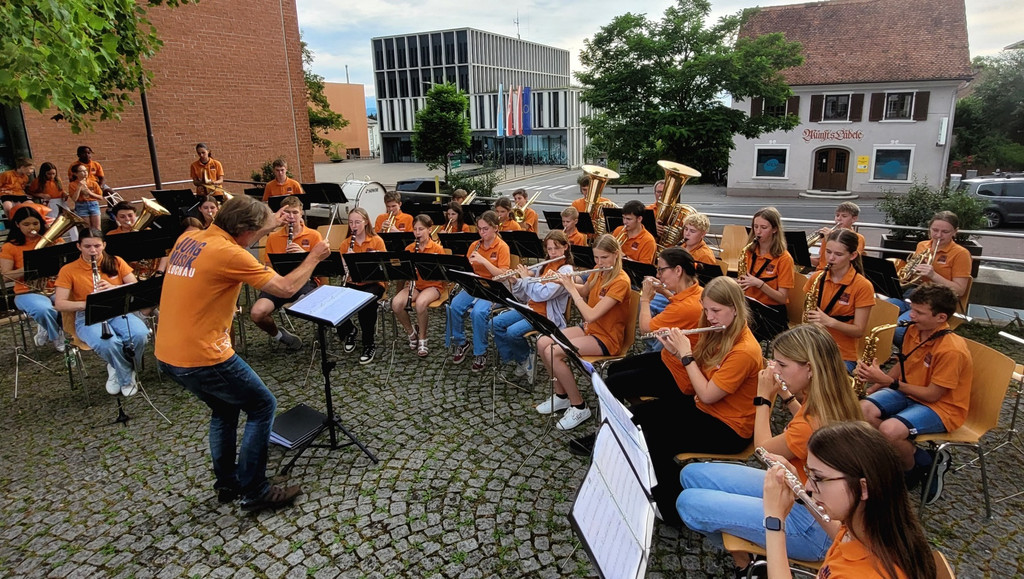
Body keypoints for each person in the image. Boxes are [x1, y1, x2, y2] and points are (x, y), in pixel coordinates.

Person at [156, 195, 330, 512]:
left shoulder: (190, 237)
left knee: (224, 409)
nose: (261, 236)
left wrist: (271, 221)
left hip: (168, 351)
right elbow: (286, 288)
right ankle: (255, 490)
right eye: (259, 231)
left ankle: (228, 482)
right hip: (203, 354)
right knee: (262, 406)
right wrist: (314, 257)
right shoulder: (230, 253)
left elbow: (245, 233)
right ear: (244, 230)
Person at [676, 325, 863, 573]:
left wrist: (763, 398)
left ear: (809, 369)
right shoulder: (831, 398)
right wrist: (786, 395)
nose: (774, 369)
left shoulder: (812, 422)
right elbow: (806, 423)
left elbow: (763, 451)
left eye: (782, 364)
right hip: (795, 488)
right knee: (690, 474)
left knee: (688, 503)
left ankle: (746, 564)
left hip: (811, 524)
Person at [627, 276, 763, 526]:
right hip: (707, 408)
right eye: (706, 310)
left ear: (735, 308)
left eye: (716, 311)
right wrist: (675, 351)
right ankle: (653, 479)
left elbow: (708, 394)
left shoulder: (744, 350)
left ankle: (671, 508)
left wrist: (686, 355)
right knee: (639, 414)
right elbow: (699, 377)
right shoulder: (719, 331)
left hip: (729, 427)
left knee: (656, 440)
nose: (709, 317)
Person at [570, 247, 704, 451]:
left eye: (661, 270)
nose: (658, 275)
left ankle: (607, 436)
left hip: (680, 375)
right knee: (615, 369)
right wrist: (664, 291)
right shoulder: (695, 290)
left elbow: (645, 329)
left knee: (612, 384)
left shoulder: (686, 306)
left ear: (678, 270)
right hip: (669, 359)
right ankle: (623, 421)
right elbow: (679, 301)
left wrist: (645, 298)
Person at [763, 422, 936, 579]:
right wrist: (799, 492)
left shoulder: (862, 573)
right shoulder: (867, 529)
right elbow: (839, 534)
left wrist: (774, 520)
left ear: (863, 488)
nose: (808, 485)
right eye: (809, 474)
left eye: (819, 478)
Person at [856, 283, 971, 504]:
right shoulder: (914, 329)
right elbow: (903, 364)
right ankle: (921, 458)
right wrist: (873, 388)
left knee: (889, 431)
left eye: (919, 312)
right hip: (909, 392)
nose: (911, 315)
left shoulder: (951, 350)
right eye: (912, 309)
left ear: (941, 317)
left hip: (942, 407)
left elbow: (932, 395)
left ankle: (911, 470)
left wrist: (889, 383)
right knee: (862, 410)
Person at [534, 234, 631, 430]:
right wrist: (563, 282)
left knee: (554, 352)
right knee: (542, 341)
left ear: (616, 254)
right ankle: (561, 395)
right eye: (596, 257)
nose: (599, 262)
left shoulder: (621, 281)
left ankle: (579, 406)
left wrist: (570, 289)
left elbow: (590, 315)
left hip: (606, 338)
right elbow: (585, 290)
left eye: (604, 257)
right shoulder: (599, 271)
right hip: (590, 330)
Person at [54, 228, 148, 396]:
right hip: (88, 315)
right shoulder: (68, 270)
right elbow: (60, 304)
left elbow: (135, 288)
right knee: (108, 343)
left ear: (104, 245)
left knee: (140, 334)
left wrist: (113, 288)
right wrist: (88, 304)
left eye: (97, 246)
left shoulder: (116, 261)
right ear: (79, 246)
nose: (93, 251)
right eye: (87, 246)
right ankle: (126, 378)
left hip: (116, 310)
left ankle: (116, 366)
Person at [492, 230, 575, 383]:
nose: (553, 253)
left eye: (556, 248)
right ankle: (521, 359)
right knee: (495, 323)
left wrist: (526, 279)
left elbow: (542, 294)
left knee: (512, 332)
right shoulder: (545, 265)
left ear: (565, 247)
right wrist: (516, 282)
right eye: (549, 249)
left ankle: (525, 359)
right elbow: (525, 294)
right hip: (530, 308)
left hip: (546, 315)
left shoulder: (565, 271)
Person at [249, 196, 323, 350]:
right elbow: (269, 266)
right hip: (278, 282)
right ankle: (280, 336)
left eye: (295, 212)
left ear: (301, 213)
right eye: (287, 212)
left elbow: (322, 267)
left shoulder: (314, 235)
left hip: (304, 282)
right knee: (257, 313)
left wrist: (304, 255)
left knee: (312, 305)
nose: (291, 216)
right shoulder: (273, 237)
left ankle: (321, 332)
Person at [891, 211, 971, 345]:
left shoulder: (961, 254)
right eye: (935, 230)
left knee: (899, 331)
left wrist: (933, 275)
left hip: (939, 301)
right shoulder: (922, 245)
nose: (938, 235)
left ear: (955, 232)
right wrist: (911, 272)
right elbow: (911, 277)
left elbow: (960, 290)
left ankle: (909, 352)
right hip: (914, 294)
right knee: (879, 311)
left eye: (945, 232)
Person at [447, 210, 511, 372]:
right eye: (479, 229)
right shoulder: (474, 245)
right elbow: (468, 269)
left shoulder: (502, 247)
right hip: (475, 284)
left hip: (493, 287)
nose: (482, 232)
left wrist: (484, 261)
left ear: (495, 228)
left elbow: (503, 275)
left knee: (478, 312)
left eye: (485, 229)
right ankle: (461, 342)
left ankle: (481, 351)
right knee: (454, 306)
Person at [803, 229, 875, 372]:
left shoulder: (862, 286)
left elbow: (859, 331)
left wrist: (830, 322)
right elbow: (805, 315)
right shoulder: (816, 278)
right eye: (828, 252)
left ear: (853, 255)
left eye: (838, 254)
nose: (831, 258)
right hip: (813, 346)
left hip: (841, 354)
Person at [0, 207, 64, 351]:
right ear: (17, 225)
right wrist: (29, 267)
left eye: (35, 223)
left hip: (54, 287)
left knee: (74, 302)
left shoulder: (53, 240)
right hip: (26, 291)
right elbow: (5, 277)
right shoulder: (10, 247)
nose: (32, 228)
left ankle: (48, 326)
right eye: (26, 224)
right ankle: (56, 336)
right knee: (44, 310)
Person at [392, 214, 446, 357]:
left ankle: (423, 337)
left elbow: (442, 275)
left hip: (433, 285)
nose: (417, 232)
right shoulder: (410, 248)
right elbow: (402, 272)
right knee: (396, 304)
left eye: (421, 229)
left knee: (421, 303)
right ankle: (411, 332)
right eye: (415, 229)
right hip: (415, 285)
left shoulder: (437, 249)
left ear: (429, 229)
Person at [737, 207, 794, 343]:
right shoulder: (748, 252)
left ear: (775, 229)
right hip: (749, 306)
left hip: (771, 312)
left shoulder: (784, 258)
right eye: (755, 226)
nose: (758, 231)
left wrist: (760, 284)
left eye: (763, 227)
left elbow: (782, 298)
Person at [338, 207, 387, 363]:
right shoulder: (345, 244)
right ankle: (350, 330)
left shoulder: (377, 241)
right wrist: (346, 263)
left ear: (366, 222)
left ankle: (368, 343)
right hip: (353, 282)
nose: (354, 226)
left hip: (374, 283)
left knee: (366, 304)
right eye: (351, 222)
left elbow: (383, 269)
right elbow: (343, 271)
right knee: (336, 303)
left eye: (357, 222)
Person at [810, 201, 865, 269]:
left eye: (844, 216)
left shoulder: (858, 238)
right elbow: (821, 262)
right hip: (820, 272)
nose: (839, 219)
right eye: (837, 215)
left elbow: (851, 264)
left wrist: (829, 240)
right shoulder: (829, 235)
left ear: (854, 219)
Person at [68, 162, 104, 232]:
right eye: (82, 171)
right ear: (75, 174)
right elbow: (74, 199)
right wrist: (79, 187)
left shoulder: (93, 183)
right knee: (86, 228)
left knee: (97, 228)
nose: (85, 173)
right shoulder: (72, 184)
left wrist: (90, 193)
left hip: (93, 204)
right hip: (81, 205)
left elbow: (100, 197)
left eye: (86, 170)